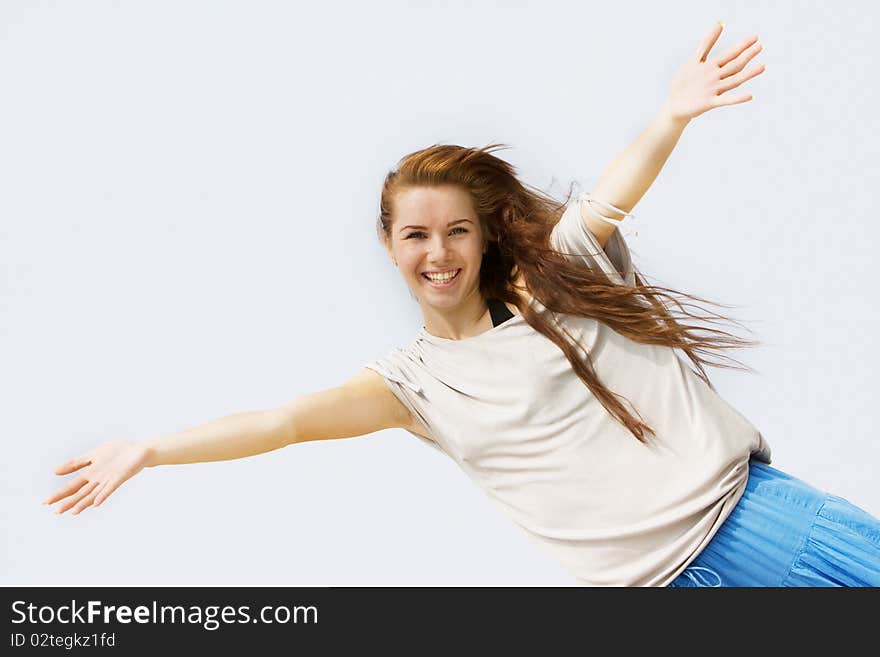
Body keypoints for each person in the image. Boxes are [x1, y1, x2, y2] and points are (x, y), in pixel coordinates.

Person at [43, 23, 880, 586]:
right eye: (415, 236)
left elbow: (611, 198)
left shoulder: (558, 274)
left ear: (482, 237)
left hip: (753, 520)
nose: (437, 253)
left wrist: (670, 117)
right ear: (389, 245)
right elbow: (282, 423)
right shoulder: (414, 386)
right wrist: (150, 448)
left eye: (455, 232)